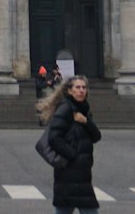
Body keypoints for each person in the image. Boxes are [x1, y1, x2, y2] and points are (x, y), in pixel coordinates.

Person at [40, 74, 101, 212]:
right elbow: (54, 138)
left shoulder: (84, 109)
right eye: (78, 87)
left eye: (84, 87)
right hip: (68, 174)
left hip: (82, 175)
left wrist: (86, 121)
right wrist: (73, 156)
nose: (81, 90)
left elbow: (96, 136)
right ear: (69, 91)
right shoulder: (66, 108)